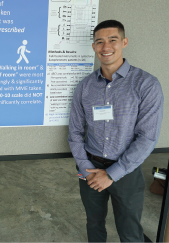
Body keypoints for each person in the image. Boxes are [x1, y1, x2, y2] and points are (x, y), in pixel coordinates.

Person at [68, 20, 163, 242]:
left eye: (112, 40)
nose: (106, 47)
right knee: (94, 223)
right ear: (93, 47)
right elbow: (74, 132)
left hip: (126, 169)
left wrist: (112, 174)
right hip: (90, 167)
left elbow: (147, 137)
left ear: (124, 42)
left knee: (129, 229)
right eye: (99, 42)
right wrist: (85, 166)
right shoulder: (85, 87)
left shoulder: (146, 84)